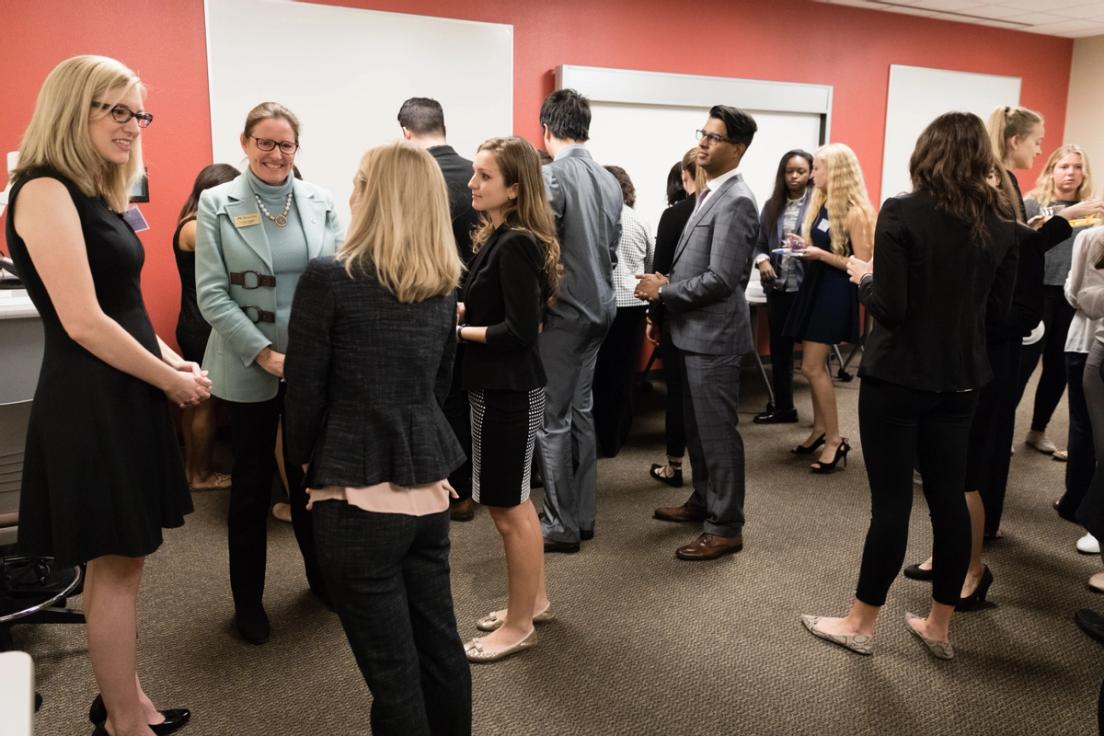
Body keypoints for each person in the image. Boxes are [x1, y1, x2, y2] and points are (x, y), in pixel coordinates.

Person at [6, 55, 206, 736]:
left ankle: (128, 698)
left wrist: (174, 357)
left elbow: (122, 308)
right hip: (91, 401)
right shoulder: (41, 190)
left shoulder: (93, 192)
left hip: (122, 391)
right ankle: (124, 720)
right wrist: (169, 379)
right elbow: (84, 322)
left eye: (137, 112)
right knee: (115, 570)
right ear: (73, 108)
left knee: (125, 565)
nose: (132, 126)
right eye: (115, 110)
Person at [802, 112, 1018, 660]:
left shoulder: (904, 210)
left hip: (898, 377)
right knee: (948, 502)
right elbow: (998, 315)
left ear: (926, 154)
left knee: (892, 505)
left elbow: (890, 307)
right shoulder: (999, 222)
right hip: (962, 381)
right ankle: (939, 626)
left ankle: (859, 622)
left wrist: (863, 276)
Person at [284, 142, 470, 735]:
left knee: (393, 677)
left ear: (373, 197)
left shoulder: (329, 279)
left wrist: (300, 475)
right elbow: (438, 389)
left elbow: (305, 395)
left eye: (359, 183)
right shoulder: (442, 286)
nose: (351, 193)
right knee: (440, 652)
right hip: (429, 493)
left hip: (355, 496)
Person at [903, 108, 1099, 587]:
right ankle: (953, 553)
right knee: (959, 460)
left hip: (995, 340)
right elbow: (1011, 246)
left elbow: (1015, 251)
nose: (1042, 152)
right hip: (981, 339)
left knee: (973, 459)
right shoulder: (999, 187)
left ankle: (967, 563)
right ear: (1009, 142)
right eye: (1037, 142)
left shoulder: (1004, 192)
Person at [195, 101, 343, 644]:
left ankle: (320, 580)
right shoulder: (217, 203)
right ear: (245, 142)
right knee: (253, 487)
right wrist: (263, 353)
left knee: (309, 478)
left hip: (310, 364)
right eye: (265, 143)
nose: (276, 154)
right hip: (247, 361)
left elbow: (340, 276)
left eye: (285, 145)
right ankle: (248, 603)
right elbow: (211, 294)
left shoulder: (320, 199)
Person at [636, 105, 759, 561]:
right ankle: (704, 501)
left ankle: (726, 526)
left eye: (715, 137)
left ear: (738, 149)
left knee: (718, 435)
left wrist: (665, 290)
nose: (703, 143)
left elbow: (722, 278)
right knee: (699, 433)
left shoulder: (738, 199)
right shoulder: (711, 194)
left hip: (714, 339)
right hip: (692, 335)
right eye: (702, 134)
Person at [458, 136, 561, 662]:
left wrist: (461, 332)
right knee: (509, 503)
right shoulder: (497, 237)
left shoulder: (516, 241)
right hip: (494, 387)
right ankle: (534, 600)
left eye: (484, 176)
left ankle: (520, 625)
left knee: (510, 509)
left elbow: (522, 330)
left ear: (514, 188)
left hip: (511, 390)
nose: (472, 184)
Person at [535, 89, 623, 554]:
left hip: (565, 312)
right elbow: (609, 249)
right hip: (602, 307)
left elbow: (542, 251)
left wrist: (537, 308)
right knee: (582, 412)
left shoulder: (552, 176)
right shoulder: (609, 180)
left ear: (545, 129)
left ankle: (560, 523)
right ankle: (583, 515)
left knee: (551, 421)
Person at [398, 97, 480, 522]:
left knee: (433, 398)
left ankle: (438, 487)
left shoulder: (410, 178)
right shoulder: (477, 174)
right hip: (478, 305)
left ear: (407, 134)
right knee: (464, 400)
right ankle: (465, 491)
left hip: (426, 304)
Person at [782, 143, 874, 472]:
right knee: (812, 367)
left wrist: (819, 255)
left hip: (835, 292)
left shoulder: (856, 212)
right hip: (816, 287)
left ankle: (835, 439)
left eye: (817, 168)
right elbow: (822, 244)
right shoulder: (822, 205)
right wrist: (804, 247)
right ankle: (820, 431)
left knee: (811, 368)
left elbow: (862, 264)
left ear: (835, 172)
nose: (812, 175)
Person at [1018, 145, 1097, 457]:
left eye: (1077, 167)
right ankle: (1000, 426)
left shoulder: (1092, 210)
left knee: (1058, 368)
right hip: (1035, 294)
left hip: (1069, 297)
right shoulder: (1031, 203)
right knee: (1022, 365)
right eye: (1064, 166)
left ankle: (1037, 431)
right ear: (1052, 169)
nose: (1071, 173)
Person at [173, 163, 238, 491]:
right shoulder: (195, 226)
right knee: (205, 403)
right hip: (203, 325)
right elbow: (233, 259)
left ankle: (191, 470)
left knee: (196, 400)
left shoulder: (195, 222)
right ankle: (200, 475)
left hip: (198, 322)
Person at [647, 148, 703, 487]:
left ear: (685, 175)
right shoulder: (726, 211)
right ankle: (705, 477)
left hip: (677, 315)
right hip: (712, 318)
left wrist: (654, 317)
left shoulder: (674, 215)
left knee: (679, 394)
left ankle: (674, 466)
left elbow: (659, 274)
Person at [593, 165, 653, 457]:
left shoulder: (593, 220)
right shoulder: (640, 221)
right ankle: (615, 440)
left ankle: (594, 437)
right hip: (634, 307)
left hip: (600, 305)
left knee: (596, 374)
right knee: (624, 375)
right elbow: (651, 268)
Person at [752, 149, 814, 424]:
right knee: (780, 351)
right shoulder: (772, 205)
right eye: (789, 171)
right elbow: (758, 244)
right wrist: (762, 260)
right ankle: (783, 408)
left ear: (811, 173)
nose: (794, 176)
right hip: (778, 288)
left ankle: (822, 420)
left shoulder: (819, 206)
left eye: (800, 171)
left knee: (815, 356)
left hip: (808, 289)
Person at [1063, 227, 1104, 556]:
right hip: (1087, 343)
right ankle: (1079, 506)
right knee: (1084, 430)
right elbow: (1078, 295)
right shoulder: (1093, 237)